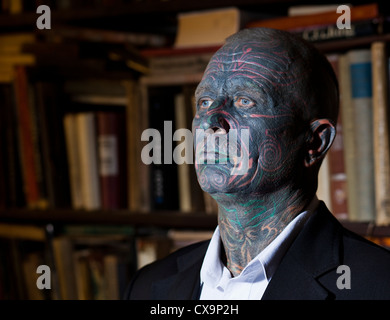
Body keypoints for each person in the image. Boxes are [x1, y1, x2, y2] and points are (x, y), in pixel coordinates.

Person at [124, 27, 390, 300]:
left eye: (244, 101)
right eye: (204, 101)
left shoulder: (378, 286)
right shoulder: (148, 286)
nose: (210, 121)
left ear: (314, 143)